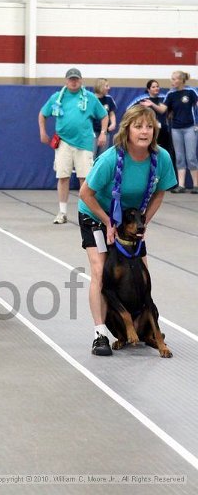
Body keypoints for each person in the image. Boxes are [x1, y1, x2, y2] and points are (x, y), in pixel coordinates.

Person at [78, 105, 176, 356]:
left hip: (131, 220)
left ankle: (145, 329)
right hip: (96, 214)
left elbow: (159, 192)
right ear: (127, 129)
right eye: (138, 126)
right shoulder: (111, 159)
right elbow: (85, 194)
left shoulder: (161, 157)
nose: (144, 131)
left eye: (149, 126)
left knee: (138, 272)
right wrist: (108, 222)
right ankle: (100, 334)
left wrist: (145, 223)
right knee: (101, 271)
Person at [38, 68, 108, 224]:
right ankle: (62, 212)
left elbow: (104, 115)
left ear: (81, 80)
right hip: (63, 142)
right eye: (71, 79)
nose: (73, 81)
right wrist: (42, 131)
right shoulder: (57, 98)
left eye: (76, 79)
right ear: (66, 80)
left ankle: (86, 211)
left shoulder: (89, 98)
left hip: (84, 143)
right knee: (63, 176)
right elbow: (43, 114)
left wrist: (103, 132)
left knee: (85, 179)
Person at [156, 71, 198, 193]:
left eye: (174, 79)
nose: (172, 81)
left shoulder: (190, 92)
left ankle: (196, 185)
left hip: (190, 127)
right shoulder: (171, 94)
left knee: (191, 157)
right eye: (172, 79)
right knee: (179, 157)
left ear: (181, 80)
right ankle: (181, 185)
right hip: (176, 128)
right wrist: (152, 105)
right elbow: (162, 109)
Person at [127, 79, 176, 172]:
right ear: (148, 89)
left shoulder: (164, 97)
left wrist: (169, 115)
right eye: (153, 87)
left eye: (157, 86)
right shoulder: (142, 99)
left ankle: (167, 176)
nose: (156, 88)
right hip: (150, 132)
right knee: (151, 152)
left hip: (164, 131)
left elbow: (170, 110)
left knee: (166, 153)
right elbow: (129, 111)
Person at [93, 78, 116, 158]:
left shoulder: (109, 99)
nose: (109, 88)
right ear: (100, 86)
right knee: (91, 155)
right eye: (106, 86)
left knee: (102, 156)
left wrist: (113, 123)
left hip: (105, 132)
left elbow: (111, 114)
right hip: (92, 132)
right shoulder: (91, 99)